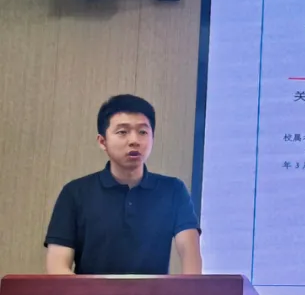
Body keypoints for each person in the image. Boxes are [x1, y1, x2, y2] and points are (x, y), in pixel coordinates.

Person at [44, 94, 203, 275]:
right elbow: (57, 266)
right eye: (122, 132)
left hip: (155, 294)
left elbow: (191, 258)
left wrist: (187, 292)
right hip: (90, 294)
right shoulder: (75, 193)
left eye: (143, 132)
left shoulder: (173, 190)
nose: (134, 140)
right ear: (102, 141)